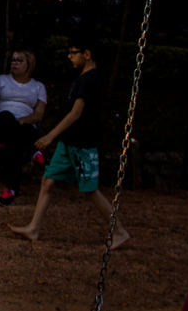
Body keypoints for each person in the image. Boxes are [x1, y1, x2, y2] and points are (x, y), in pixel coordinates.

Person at [9, 35, 129, 248]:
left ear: (87, 54)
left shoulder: (89, 79)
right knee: (48, 180)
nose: (69, 56)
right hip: (68, 143)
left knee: (89, 190)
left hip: (81, 144)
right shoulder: (85, 77)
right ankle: (33, 228)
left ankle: (119, 231)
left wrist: (50, 136)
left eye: (73, 52)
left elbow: (76, 113)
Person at [0, 48, 48, 206]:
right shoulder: (2, 80)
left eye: (19, 60)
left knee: (17, 136)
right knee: (8, 117)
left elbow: (38, 115)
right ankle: (37, 153)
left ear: (29, 63)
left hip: (23, 127)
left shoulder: (38, 87)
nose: (14, 63)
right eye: (13, 60)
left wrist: (23, 120)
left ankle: (11, 191)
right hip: (1, 124)